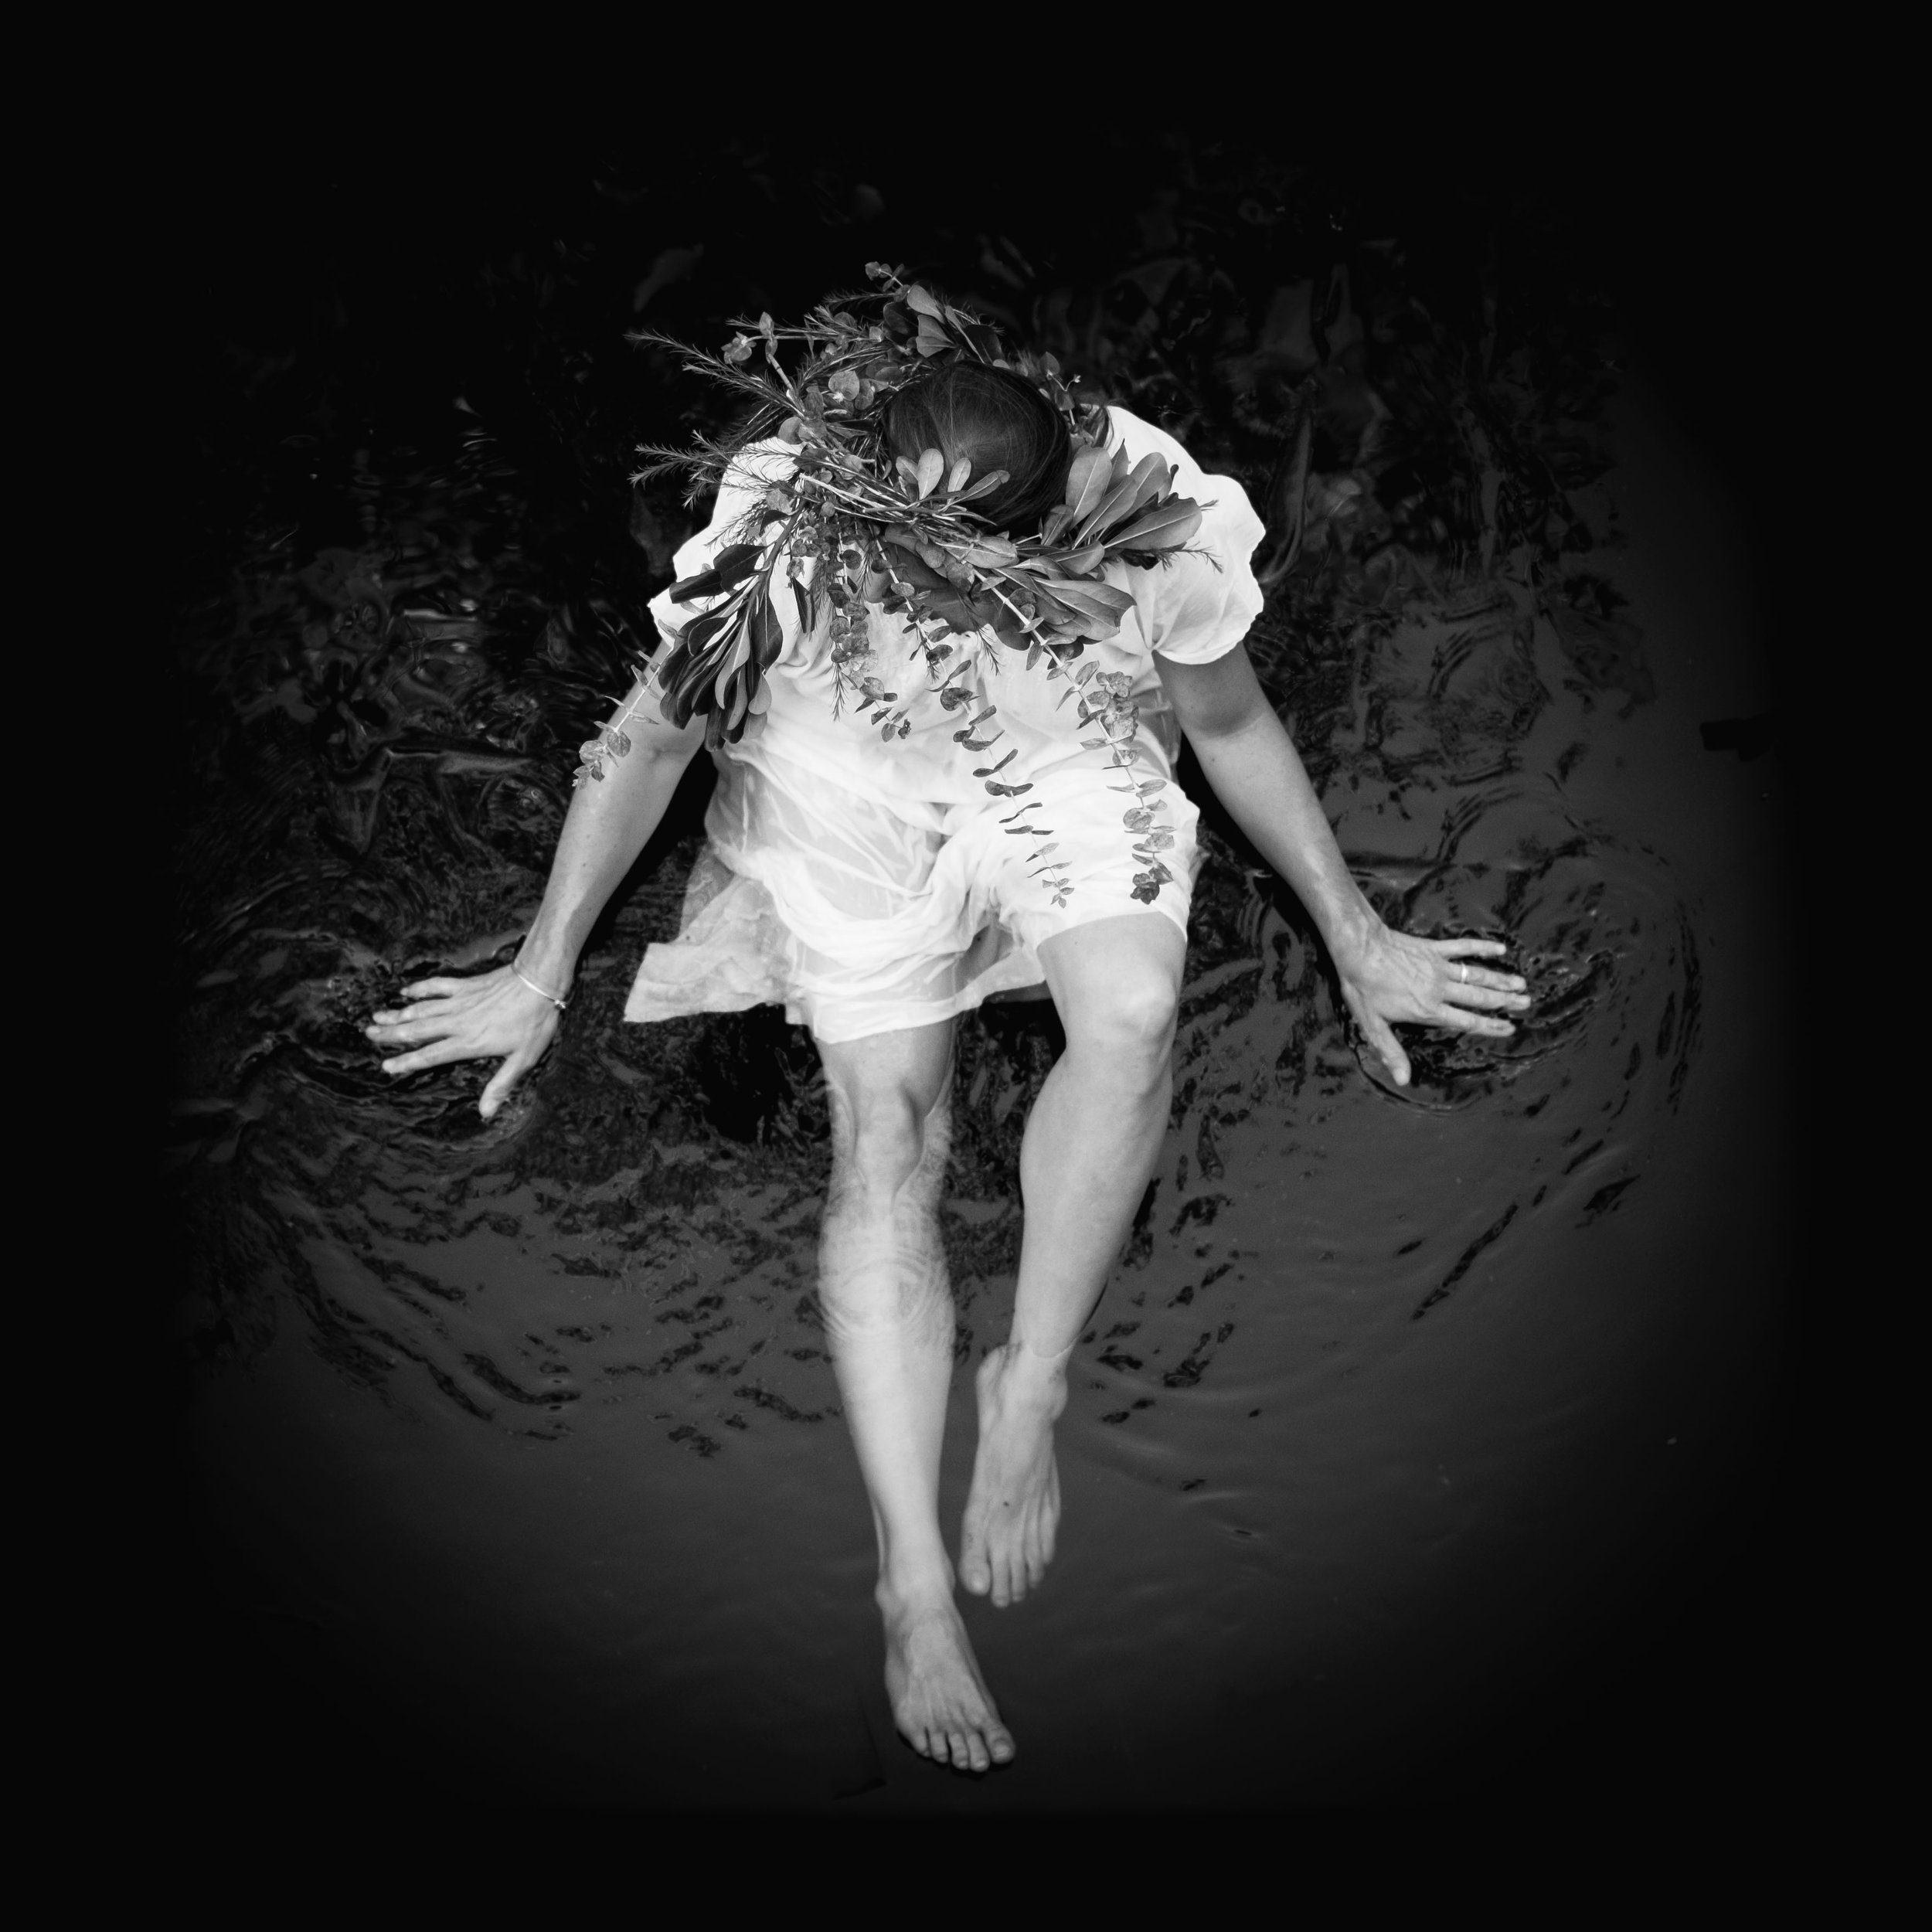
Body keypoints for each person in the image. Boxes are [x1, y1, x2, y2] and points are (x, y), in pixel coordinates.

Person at [365, 281, 1530, 1774]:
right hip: (858, 784)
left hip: (1060, 751)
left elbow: (1226, 721)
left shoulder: (1151, 503)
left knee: (1135, 1006)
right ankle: (913, 1579)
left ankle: (1030, 1378)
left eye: (996, 542)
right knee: (887, 1138)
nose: (958, 563)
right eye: (928, 540)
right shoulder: (789, 526)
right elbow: (648, 734)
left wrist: (1357, 938)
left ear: (1059, 507)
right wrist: (539, 973)